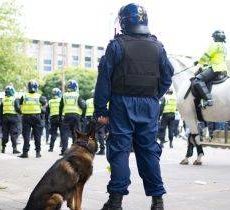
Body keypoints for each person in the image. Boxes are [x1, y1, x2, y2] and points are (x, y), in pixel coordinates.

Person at [95, 3, 173, 210]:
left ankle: (115, 202)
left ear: (124, 21)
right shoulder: (158, 47)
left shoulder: (116, 45)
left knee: (119, 151)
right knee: (148, 151)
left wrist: (101, 110)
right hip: (149, 105)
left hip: (122, 104)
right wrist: (154, 96)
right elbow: (167, 76)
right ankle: (157, 201)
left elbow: (104, 79)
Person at [192, 30, 228, 108]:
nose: (213, 39)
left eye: (214, 37)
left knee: (198, 80)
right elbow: (215, 58)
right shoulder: (224, 47)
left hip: (216, 68)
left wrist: (199, 62)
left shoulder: (215, 45)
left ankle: (208, 99)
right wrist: (205, 65)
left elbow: (206, 55)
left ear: (216, 38)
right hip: (224, 69)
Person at [59, 80, 86, 156]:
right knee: (76, 133)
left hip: (66, 116)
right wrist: (83, 117)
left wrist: (60, 116)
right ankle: (75, 150)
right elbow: (83, 106)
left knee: (65, 133)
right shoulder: (77, 95)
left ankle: (64, 150)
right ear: (75, 87)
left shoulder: (64, 95)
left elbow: (60, 107)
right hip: (76, 117)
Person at [19, 80, 45, 158]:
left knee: (26, 135)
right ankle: (38, 153)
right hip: (37, 117)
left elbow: (20, 106)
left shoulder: (24, 96)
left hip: (26, 117)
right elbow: (44, 106)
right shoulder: (39, 96)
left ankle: (25, 153)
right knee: (37, 135)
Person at [0, 85, 21, 154]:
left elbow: (0, 111)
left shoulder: (3, 100)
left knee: (5, 134)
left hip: (5, 118)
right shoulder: (14, 99)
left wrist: (1, 120)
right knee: (13, 134)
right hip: (13, 118)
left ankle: (3, 148)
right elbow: (18, 109)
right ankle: (14, 149)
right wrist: (21, 113)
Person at [86, 89, 106, 155]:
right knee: (101, 133)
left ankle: (92, 148)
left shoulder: (88, 101)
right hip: (101, 117)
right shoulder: (103, 100)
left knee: (93, 133)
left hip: (91, 118)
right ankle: (102, 149)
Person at [48, 88, 62, 152]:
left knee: (53, 133)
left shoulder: (50, 101)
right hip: (60, 118)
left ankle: (51, 148)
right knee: (63, 133)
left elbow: (47, 111)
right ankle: (62, 146)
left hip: (53, 118)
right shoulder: (61, 100)